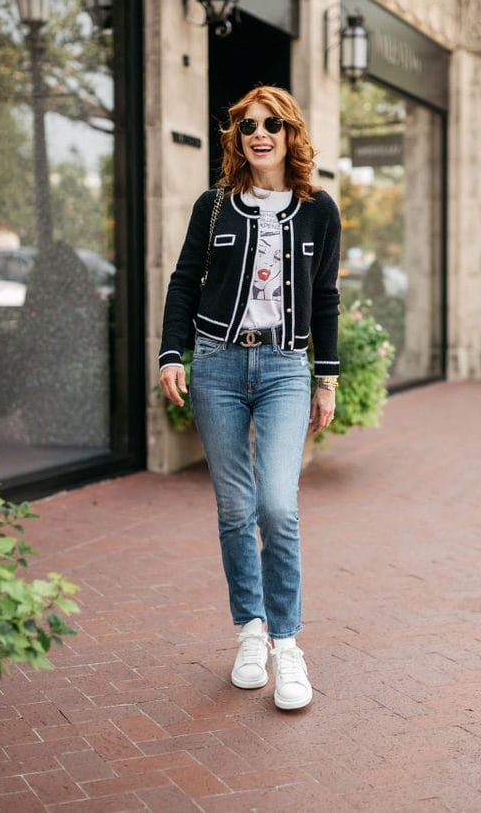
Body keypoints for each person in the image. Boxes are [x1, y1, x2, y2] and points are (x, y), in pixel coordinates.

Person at [159, 85, 341, 711]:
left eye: (272, 124)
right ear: (237, 140)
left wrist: (327, 377)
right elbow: (185, 281)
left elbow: (326, 300)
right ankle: (251, 633)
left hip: (287, 367)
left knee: (277, 506)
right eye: (247, 126)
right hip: (216, 364)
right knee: (235, 508)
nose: (259, 134)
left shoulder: (319, 211)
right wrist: (170, 354)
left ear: (292, 134)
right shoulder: (214, 206)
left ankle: (288, 645)